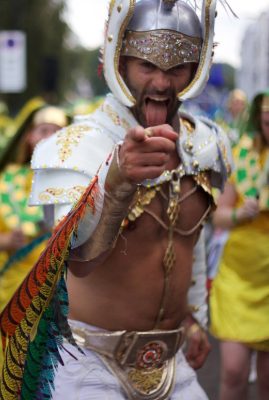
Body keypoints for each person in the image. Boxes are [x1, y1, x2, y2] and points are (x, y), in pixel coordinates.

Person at [0, 1, 233, 399]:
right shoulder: (73, 147)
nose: (161, 83)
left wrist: (194, 318)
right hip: (86, 362)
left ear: (196, 71)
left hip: (172, 364)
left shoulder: (208, 144)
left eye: (176, 69)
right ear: (118, 63)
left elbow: (190, 239)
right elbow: (79, 261)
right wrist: (117, 180)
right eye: (147, 66)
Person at [210, 89, 269, 400]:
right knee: (233, 371)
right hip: (239, 277)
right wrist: (238, 213)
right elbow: (217, 217)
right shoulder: (243, 156)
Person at [0, 100, 69, 313]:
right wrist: (5, 241)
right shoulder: (6, 180)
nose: (49, 137)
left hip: (60, 290)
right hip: (10, 286)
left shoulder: (77, 184)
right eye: (43, 130)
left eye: (57, 132)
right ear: (30, 136)